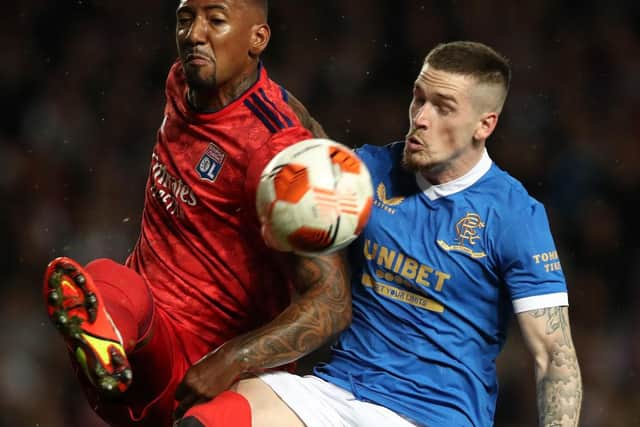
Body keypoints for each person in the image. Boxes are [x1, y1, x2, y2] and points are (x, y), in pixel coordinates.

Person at [222, 41, 583, 427]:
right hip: (335, 392)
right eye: (418, 99)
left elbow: (553, 355)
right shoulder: (370, 171)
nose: (421, 118)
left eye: (443, 107)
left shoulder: (513, 215)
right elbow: (308, 140)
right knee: (216, 414)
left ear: (485, 124)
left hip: (433, 416)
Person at [42, 1, 351, 426]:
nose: (193, 34)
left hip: (210, 379)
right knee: (106, 278)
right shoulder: (183, 80)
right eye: (185, 20)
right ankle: (103, 338)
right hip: (144, 356)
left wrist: (231, 360)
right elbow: (284, 107)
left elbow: (331, 305)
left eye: (216, 20)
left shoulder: (275, 155)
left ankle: (106, 332)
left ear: (257, 39)